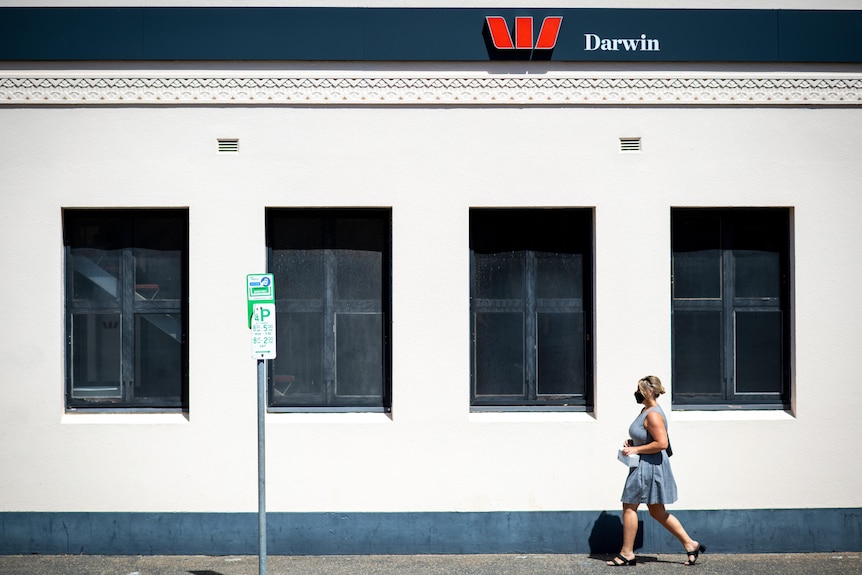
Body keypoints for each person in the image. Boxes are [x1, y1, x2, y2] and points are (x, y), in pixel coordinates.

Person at [607, 375, 706, 567]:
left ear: (649, 391)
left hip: (648, 468)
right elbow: (649, 438)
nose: (637, 393)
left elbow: (662, 443)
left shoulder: (652, 414)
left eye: (639, 389)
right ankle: (690, 544)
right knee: (657, 511)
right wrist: (633, 443)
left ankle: (627, 553)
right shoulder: (647, 410)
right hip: (647, 465)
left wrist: (636, 449)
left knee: (629, 506)